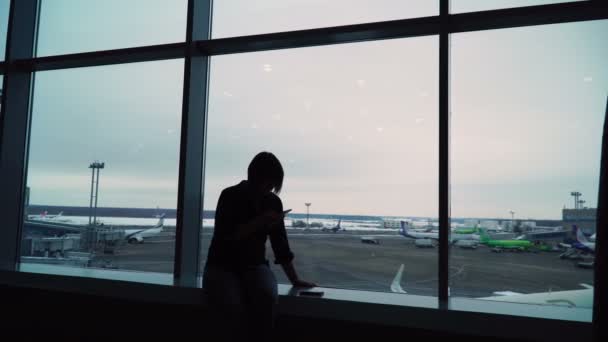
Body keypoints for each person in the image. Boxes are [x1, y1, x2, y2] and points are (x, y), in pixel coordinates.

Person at [203, 151, 316, 340]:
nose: (271, 188)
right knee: (232, 306)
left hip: (251, 265)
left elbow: (280, 244)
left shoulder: (272, 201)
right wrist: (260, 222)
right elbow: (226, 236)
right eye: (269, 183)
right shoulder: (230, 196)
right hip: (222, 265)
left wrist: (295, 279)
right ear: (255, 177)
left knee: (267, 298)